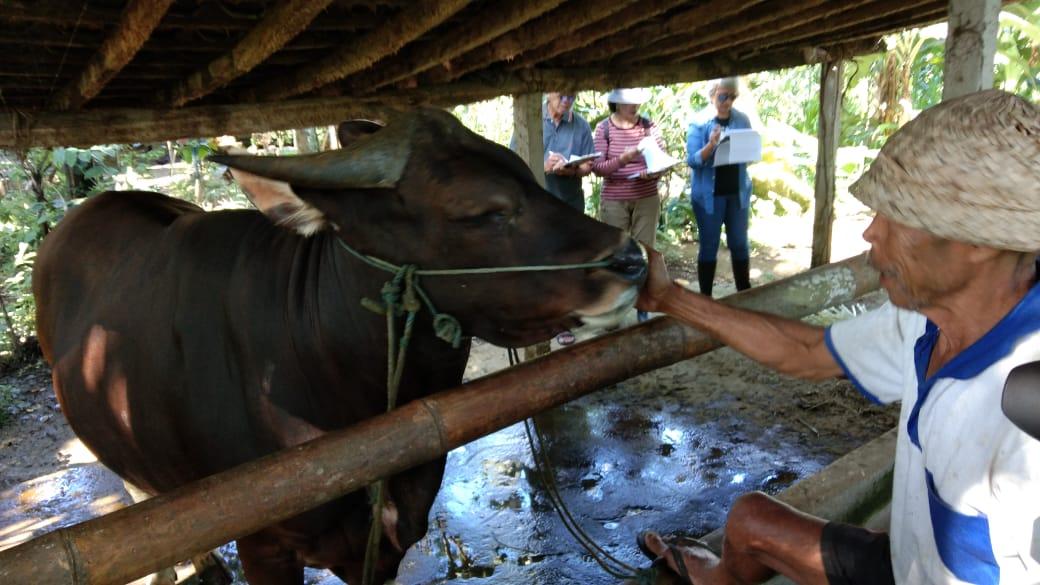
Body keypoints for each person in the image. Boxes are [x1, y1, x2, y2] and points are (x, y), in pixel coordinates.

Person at [636, 89, 1040, 584]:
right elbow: (806, 351)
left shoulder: (1024, 418)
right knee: (749, 521)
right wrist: (670, 300)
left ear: (978, 243)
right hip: (906, 563)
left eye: (897, 214)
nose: (870, 232)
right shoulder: (927, 318)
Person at [511, 92, 596, 344]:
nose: (567, 99)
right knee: (540, 263)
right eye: (562, 94)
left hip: (568, 204)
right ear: (549, 93)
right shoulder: (531, 120)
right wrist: (544, 166)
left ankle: (563, 322)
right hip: (539, 205)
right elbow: (515, 159)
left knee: (569, 264)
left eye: (572, 95)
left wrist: (572, 169)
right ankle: (540, 321)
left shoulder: (580, 124)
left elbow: (588, 165)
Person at [592, 88, 667, 322]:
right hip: (614, 199)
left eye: (637, 103)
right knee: (617, 254)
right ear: (616, 104)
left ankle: (642, 306)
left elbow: (663, 160)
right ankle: (614, 308)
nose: (635, 107)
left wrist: (653, 174)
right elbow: (598, 168)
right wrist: (624, 159)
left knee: (645, 251)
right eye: (629, 103)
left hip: (646, 197)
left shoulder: (649, 126)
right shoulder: (603, 129)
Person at [686, 77, 754, 297]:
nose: (727, 102)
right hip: (709, 194)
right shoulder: (699, 122)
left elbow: (749, 153)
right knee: (709, 245)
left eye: (732, 97)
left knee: (739, 243)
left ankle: (744, 292)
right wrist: (712, 144)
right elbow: (693, 161)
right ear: (712, 94)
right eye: (723, 96)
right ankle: (706, 298)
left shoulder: (742, 120)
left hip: (736, 191)